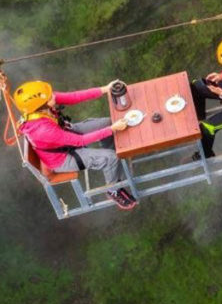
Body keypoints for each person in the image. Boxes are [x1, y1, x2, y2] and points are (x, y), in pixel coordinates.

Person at [13, 79, 138, 210]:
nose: (54, 96)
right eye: (50, 97)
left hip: (66, 134)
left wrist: (105, 89)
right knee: (110, 157)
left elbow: (74, 97)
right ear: (40, 106)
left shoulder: (41, 105)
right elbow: (81, 141)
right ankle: (113, 190)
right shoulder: (43, 131)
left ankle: (114, 166)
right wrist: (112, 129)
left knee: (107, 122)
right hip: (63, 158)